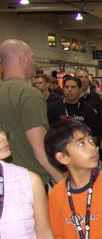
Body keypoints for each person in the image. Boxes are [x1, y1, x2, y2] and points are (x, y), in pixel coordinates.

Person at [0, 39, 64, 185]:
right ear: (22, 58)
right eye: (32, 57)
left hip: (5, 180)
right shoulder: (28, 94)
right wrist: (61, 181)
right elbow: (39, 147)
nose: (34, 62)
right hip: (31, 181)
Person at [48, 75, 102, 145]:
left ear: (79, 90)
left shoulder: (88, 109)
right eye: (66, 87)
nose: (69, 89)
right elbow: (50, 132)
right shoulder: (54, 108)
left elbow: (94, 133)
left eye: (73, 87)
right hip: (60, 146)